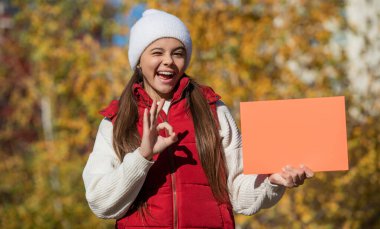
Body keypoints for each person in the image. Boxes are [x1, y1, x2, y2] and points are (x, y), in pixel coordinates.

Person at [82, 9, 313, 229]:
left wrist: (271, 182)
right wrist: (143, 155)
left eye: (177, 53)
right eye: (157, 52)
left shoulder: (213, 110)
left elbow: (240, 198)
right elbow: (101, 204)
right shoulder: (116, 120)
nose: (169, 61)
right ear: (139, 62)